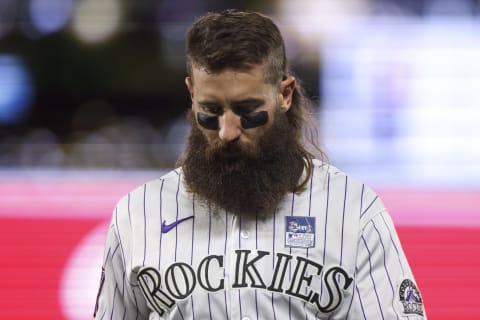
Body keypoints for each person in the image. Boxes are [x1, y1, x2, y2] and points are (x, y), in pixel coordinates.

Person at [93, 9, 426, 320]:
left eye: (247, 110)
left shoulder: (354, 212)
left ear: (284, 95)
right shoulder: (137, 215)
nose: (227, 131)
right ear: (191, 94)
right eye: (210, 111)